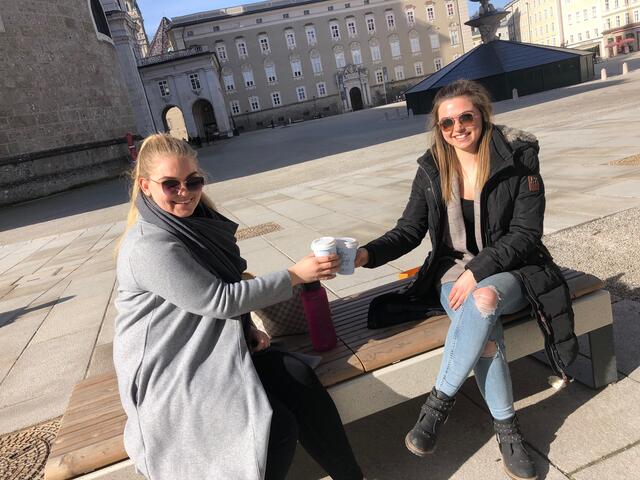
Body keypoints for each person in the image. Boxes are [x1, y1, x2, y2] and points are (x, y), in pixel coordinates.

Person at [355, 79, 577, 480]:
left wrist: (478, 272)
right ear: (438, 128)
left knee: (485, 299)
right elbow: (409, 229)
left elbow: (526, 233)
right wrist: (365, 254)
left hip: (514, 269)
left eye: (465, 117)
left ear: (482, 116)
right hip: (452, 273)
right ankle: (509, 432)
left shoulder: (518, 158)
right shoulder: (432, 168)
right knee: (486, 333)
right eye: (446, 122)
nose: (457, 127)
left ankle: (437, 406)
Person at [113, 134, 364, 480]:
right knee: (276, 429)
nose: (185, 192)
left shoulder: (197, 224)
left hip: (211, 348)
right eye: (171, 185)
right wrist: (294, 274)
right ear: (145, 186)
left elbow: (219, 289)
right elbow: (217, 298)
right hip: (172, 369)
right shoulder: (149, 246)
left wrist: (244, 326)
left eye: (193, 181)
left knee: (297, 376)